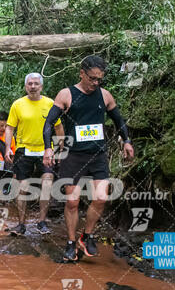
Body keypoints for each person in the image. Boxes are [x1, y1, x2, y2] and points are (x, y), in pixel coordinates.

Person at [43, 55, 134, 262]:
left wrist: (127, 140)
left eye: (99, 79)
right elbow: (49, 124)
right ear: (82, 73)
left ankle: (88, 235)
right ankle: (71, 242)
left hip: (97, 155)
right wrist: (48, 149)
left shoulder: (105, 96)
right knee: (73, 202)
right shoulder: (66, 94)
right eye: (92, 78)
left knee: (101, 198)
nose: (95, 83)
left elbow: (119, 120)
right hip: (73, 156)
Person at [4, 73, 64, 235]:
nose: (32, 86)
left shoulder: (51, 103)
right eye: (29, 84)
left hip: (45, 150)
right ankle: (21, 224)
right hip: (24, 149)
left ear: (41, 86)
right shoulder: (18, 104)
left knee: (47, 185)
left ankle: (42, 222)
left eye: (36, 84)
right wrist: (8, 147)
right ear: (25, 86)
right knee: (22, 188)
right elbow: (10, 127)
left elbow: (58, 127)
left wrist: (60, 147)